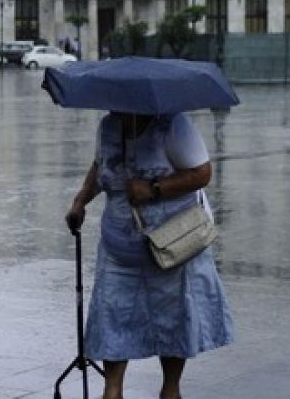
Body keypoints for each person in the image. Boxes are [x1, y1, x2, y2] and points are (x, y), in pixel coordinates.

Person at [65, 112, 233, 399]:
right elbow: (99, 166)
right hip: (120, 251)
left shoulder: (173, 125)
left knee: (173, 320)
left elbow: (202, 173)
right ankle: (112, 389)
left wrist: (154, 188)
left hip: (171, 247)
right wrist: (80, 201)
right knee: (112, 319)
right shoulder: (107, 126)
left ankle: (170, 390)